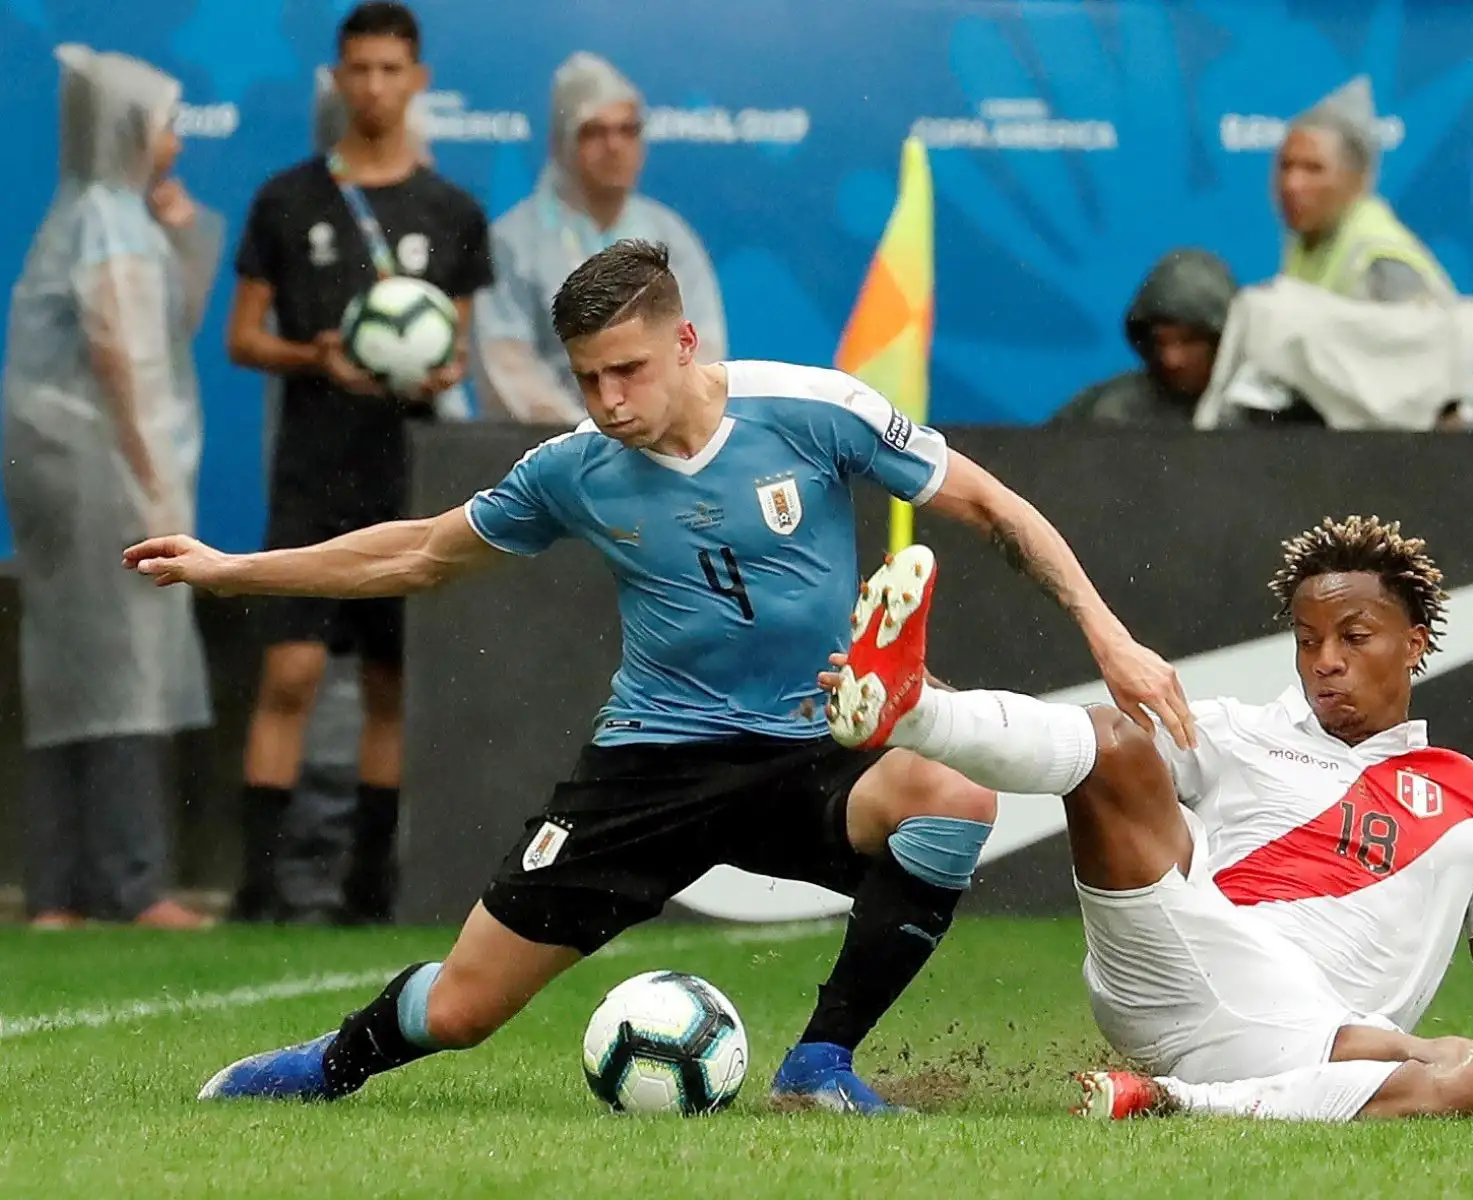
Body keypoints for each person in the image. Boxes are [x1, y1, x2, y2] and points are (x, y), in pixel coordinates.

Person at [124, 237, 1189, 1113]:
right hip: (651, 767)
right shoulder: (571, 470)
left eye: (628, 369)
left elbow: (997, 506)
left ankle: (819, 1068)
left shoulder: (813, 410)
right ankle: (329, 1065)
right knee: (459, 1012)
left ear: (685, 340)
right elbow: (421, 553)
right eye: (587, 377)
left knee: (953, 797)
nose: (608, 399)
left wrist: (1107, 633)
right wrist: (237, 569)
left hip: (810, 746)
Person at [825, 517, 1473, 1121]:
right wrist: (924, 706)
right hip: (1174, 963)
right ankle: (913, 711)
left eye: (1353, 638)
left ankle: (1171, 1101)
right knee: (1116, 742)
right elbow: (1070, 745)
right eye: (1306, 641)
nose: (1324, 661)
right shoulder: (1236, 733)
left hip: (1313, 1044)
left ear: (1415, 643)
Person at [224, 1, 493, 925]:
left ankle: (367, 888)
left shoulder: (452, 210)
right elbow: (242, 336)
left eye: (392, 70)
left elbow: (459, 349)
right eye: (360, 70)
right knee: (291, 675)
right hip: (311, 468)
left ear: (417, 81)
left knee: (390, 683)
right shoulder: (287, 199)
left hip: (406, 472)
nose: (375, 86)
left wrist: (438, 364)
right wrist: (318, 358)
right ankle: (257, 891)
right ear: (338, 79)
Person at [1, 44, 220, 931]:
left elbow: (163, 332)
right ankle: (132, 884)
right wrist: (152, 478)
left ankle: (60, 891)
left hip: (67, 474)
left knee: (75, 676)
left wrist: (184, 232)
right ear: (131, 128)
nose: (173, 139)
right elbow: (123, 357)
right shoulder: (107, 220)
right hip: (103, 476)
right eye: (163, 123)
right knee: (125, 667)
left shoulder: (105, 214)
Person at [474, 51, 726, 424]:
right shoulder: (512, 241)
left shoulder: (671, 236)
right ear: (561, 144)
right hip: (549, 449)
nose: (614, 146)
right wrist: (592, 435)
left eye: (628, 130)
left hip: (659, 443)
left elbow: (702, 350)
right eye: (594, 132)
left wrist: (651, 424)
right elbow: (508, 367)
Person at [1276, 77, 1451, 305]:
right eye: (1286, 166)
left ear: (1358, 179)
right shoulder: (1308, 239)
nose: (1292, 184)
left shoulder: (1379, 260)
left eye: (1313, 169)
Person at [1051, 249, 1236, 428]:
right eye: (1160, 341)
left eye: (1189, 341)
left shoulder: (1254, 411)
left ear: (1222, 339)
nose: (1171, 359)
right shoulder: (1108, 411)